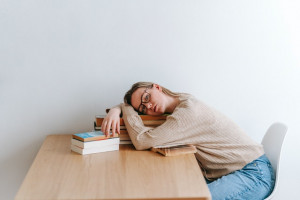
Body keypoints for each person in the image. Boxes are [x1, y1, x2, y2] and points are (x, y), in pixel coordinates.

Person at [101, 81, 275, 200]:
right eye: (142, 108)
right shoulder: (182, 100)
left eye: (146, 98)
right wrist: (118, 108)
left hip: (253, 174)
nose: (148, 106)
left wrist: (122, 108)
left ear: (156, 87)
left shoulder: (187, 113)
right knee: (164, 188)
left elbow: (142, 140)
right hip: (236, 170)